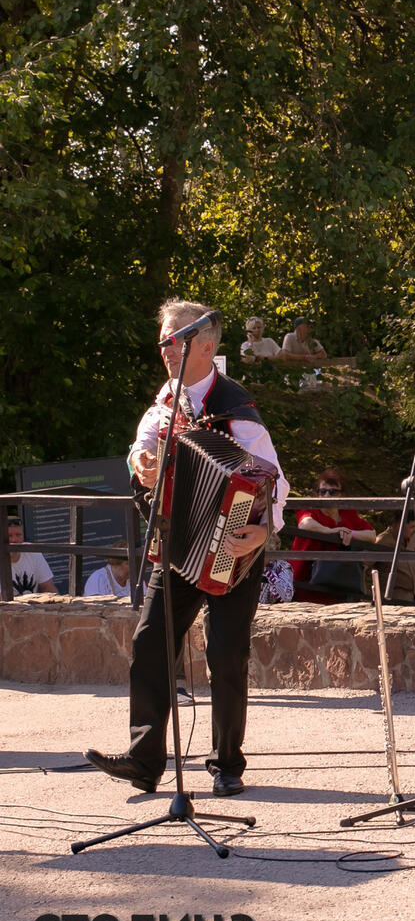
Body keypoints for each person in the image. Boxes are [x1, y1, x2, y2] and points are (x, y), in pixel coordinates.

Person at [85, 299, 287, 798]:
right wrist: (139, 462)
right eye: (163, 340)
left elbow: (275, 482)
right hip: (177, 545)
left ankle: (226, 763)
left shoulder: (236, 409)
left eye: (176, 339)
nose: (166, 348)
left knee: (226, 654)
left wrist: (265, 531)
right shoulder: (164, 401)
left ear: (207, 346)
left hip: (234, 548)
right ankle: (144, 760)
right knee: (149, 643)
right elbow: (141, 445)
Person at [288, 468, 376, 604]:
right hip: (305, 585)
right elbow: (305, 525)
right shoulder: (310, 509)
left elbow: (371, 535)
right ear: (317, 494)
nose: (327, 495)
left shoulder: (347, 514)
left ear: (342, 495)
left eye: (332, 492)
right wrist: (331, 531)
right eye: (322, 491)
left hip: (338, 588)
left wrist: (350, 533)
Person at [7, 517, 57, 595]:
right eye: (9, 536)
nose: (14, 540)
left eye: (18, 535)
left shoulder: (32, 551)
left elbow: (48, 587)